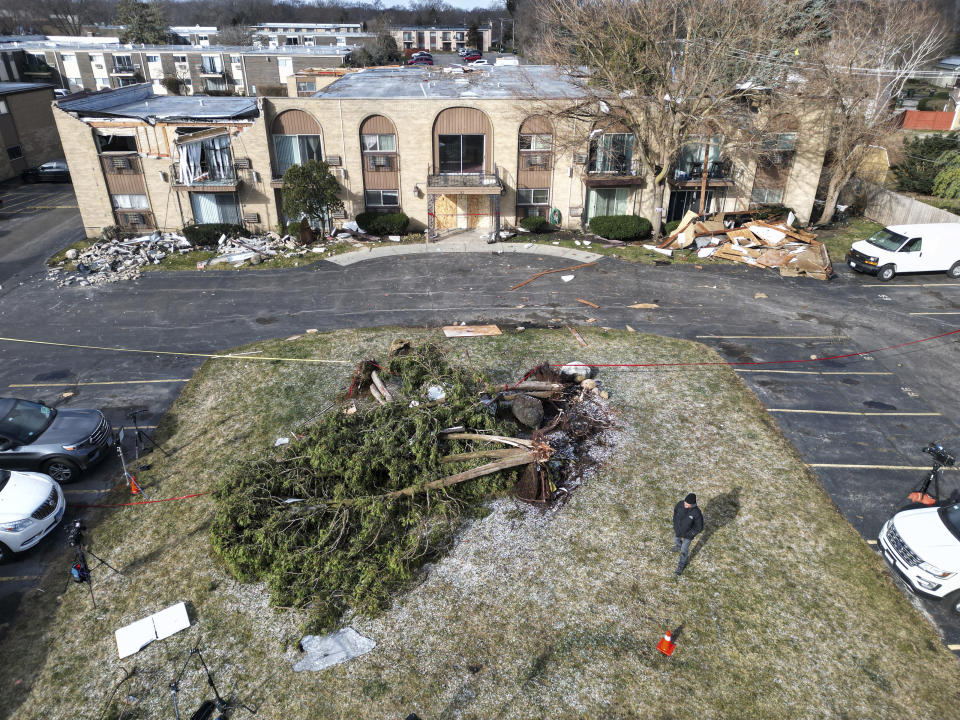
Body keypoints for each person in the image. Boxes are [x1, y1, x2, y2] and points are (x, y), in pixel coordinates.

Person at [672, 493, 704, 576]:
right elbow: (675, 512)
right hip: (678, 530)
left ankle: (681, 565)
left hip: (688, 535)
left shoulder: (696, 512)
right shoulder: (680, 504)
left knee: (684, 550)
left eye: (687, 504)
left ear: (692, 504)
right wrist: (675, 524)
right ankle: (678, 546)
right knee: (675, 540)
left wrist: (691, 534)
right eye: (685, 502)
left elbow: (699, 527)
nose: (685, 504)